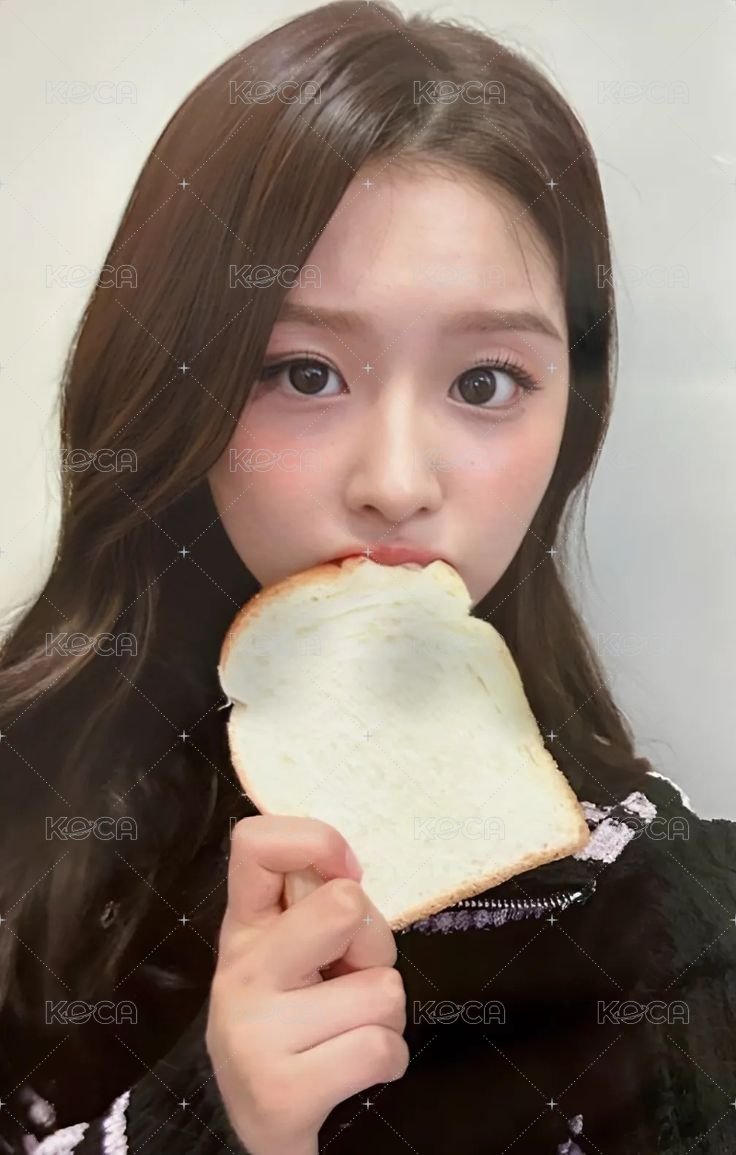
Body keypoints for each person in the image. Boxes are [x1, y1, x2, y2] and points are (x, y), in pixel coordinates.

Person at [1, 1, 734, 1151]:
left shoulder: (678, 924)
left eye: (485, 382)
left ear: (571, 422)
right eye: (303, 372)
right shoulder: (29, 805)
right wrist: (209, 1122)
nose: (396, 483)